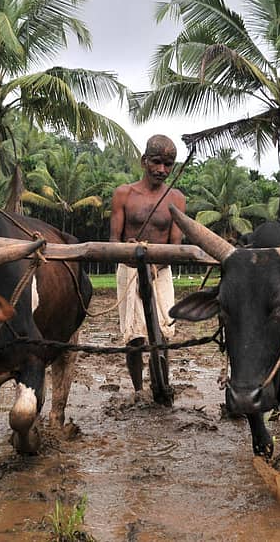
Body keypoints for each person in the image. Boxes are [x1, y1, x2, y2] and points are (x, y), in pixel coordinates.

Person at [109, 134, 186, 400]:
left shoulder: (176, 198)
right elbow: (113, 241)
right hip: (129, 269)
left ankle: (161, 386)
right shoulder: (124, 194)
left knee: (162, 333)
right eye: (156, 162)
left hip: (161, 272)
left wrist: (153, 265)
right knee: (134, 338)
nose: (162, 170)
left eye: (168, 164)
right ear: (144, 161)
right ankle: (139, 391)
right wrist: (128, 250)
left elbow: (175, 246)